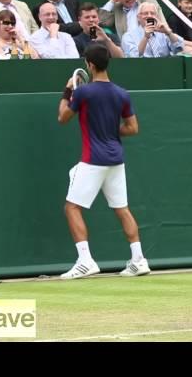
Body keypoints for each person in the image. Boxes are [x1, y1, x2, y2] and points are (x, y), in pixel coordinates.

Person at [57, 43, 150, 278]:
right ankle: (139, 260)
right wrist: (111, 131)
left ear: (89, 64)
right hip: (116, 160)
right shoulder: (122, 93)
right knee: (122, 209)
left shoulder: (83, 92)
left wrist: (67, 91)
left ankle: (85, 260)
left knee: (72, 207)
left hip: (93, 159)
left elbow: (63, 117)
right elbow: (133, 128)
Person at [99, 0, 166, 38]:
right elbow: (103, 21)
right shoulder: (118, 7)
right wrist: (112, 1)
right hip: (130, 49)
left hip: (154, 41)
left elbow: (153, 13)